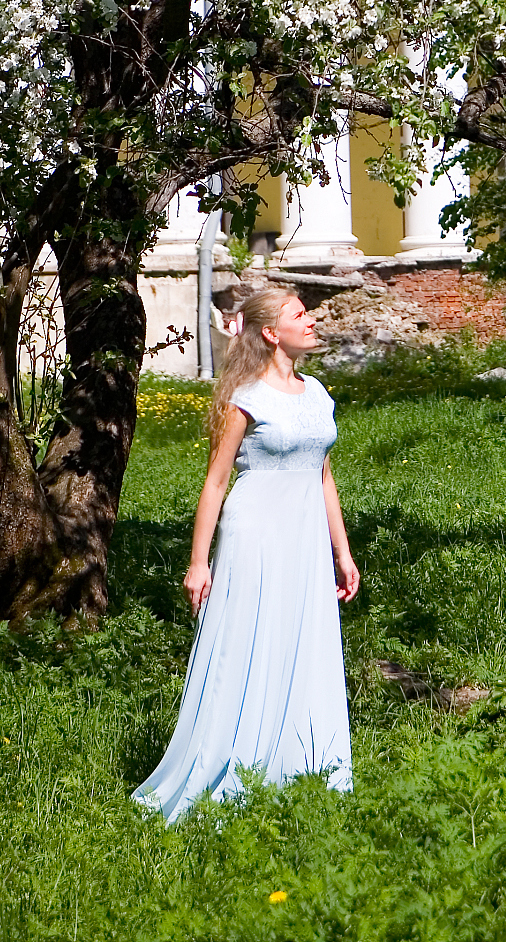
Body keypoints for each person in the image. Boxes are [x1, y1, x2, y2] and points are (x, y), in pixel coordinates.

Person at [133, 284, 360, 824]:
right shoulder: (246, 398)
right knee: (253, 643)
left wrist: (342, 552)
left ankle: (305, 769)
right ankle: (239, 768)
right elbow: (214, 484)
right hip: (256, 533)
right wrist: (197, 562)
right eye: (299, 314)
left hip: (306, 538)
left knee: (304, 643)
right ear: (269, 332)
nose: (311, 320)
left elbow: (323, 475)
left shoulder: (319, 393)